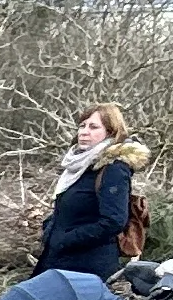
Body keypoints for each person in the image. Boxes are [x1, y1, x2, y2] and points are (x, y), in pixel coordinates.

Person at [38, 105, 150, 280]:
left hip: (87, 267)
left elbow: (113, 221)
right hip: (58, 259)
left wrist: (66, 240)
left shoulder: (113, 169)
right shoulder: (79, 166)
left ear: (111, 132)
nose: (84, 132)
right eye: (82, 126)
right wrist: (50, 230)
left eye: (93, 127)